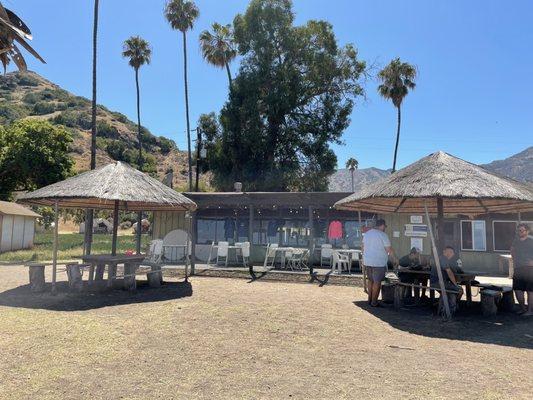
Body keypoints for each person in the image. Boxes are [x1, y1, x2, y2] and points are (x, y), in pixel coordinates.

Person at [362, 219, 396, 307]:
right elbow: (389, 249)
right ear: (382, 225)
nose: (385, 228)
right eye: (385, 226)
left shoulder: (367, 234)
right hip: (378, 262)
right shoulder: (383, 235)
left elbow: (363, 246)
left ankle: (369, 299)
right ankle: (374, 302)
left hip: (368, 261)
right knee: (377, 282)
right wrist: (395, 259)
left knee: (370, 280)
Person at [430, 246, 463, 311]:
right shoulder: (443, 258)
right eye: (450, 252)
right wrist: (455, 284)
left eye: (452, 252)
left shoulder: (442, 259)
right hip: (438, 283)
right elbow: (449, 272)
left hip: (438, 282)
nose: (452, 254)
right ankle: (452, 307)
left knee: (450, 291)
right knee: (460, 290)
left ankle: (446, 307)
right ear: (444, 252)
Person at [511, 223, 533, 316]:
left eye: (522, 230)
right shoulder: (516, 241)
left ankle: (530, 311)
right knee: (517, 289)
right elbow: (512, 250)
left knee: (530, 290)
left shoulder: (531, 240)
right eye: (519, 230)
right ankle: (523, 309)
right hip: (518, 268)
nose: (520, 232)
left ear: (527, 231)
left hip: (530, 269)